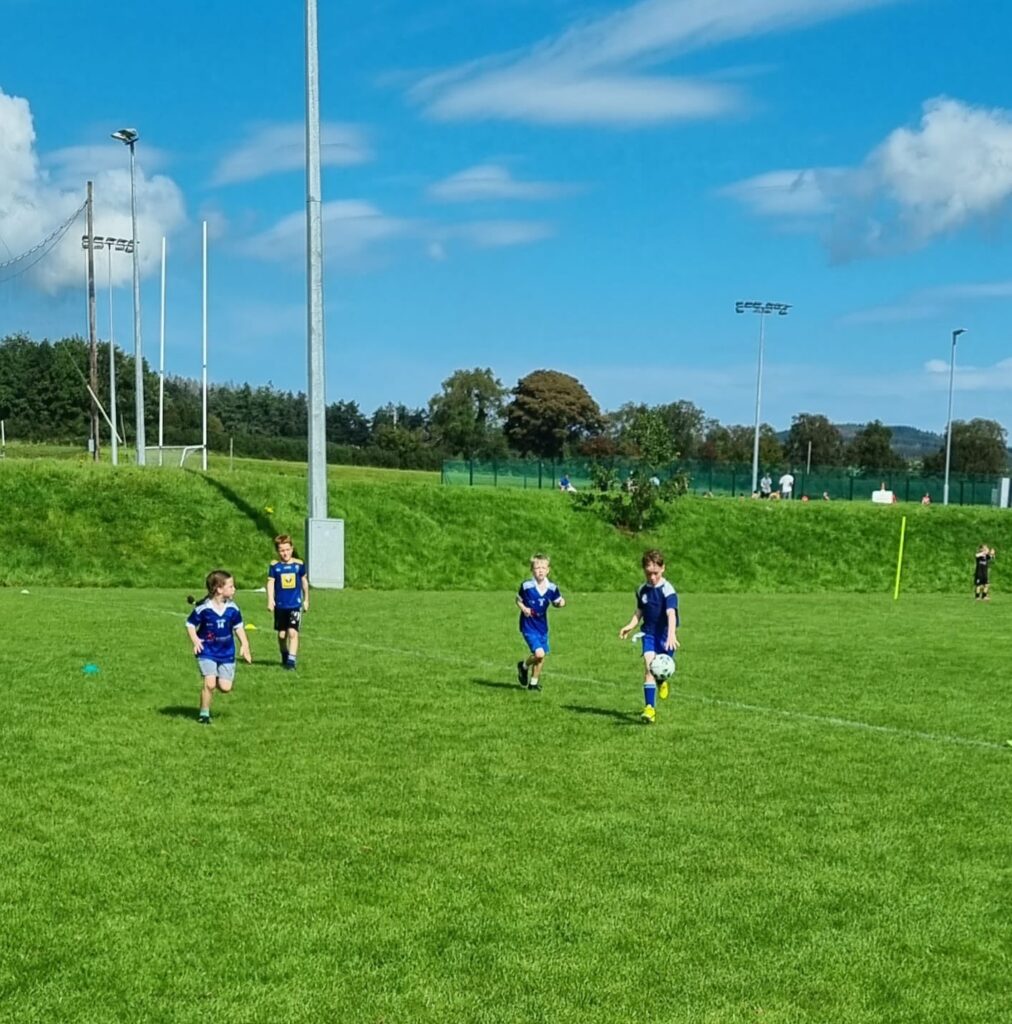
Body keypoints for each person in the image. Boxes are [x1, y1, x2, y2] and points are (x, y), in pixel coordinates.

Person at [618, 549, 680, 724]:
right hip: (649, 634)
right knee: (649, 668)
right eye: (648, 573)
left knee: (661, 670)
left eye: (656, 573)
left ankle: (662, 681)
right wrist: (630, 626)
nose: (652, 577)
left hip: (665, 635)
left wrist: (672, 634)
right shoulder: (642, 590)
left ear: (663, 568)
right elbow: (639, 611)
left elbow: (671, 613)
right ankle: (650, 709)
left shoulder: (668, 590)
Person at [186, 570, 252, 725]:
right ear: (219, 589)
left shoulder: (233, 609)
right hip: (207, 650)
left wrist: (245, 645)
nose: (234, 589)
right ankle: (204, 714)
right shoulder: (204, 609)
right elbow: (190, 624)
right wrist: (196, 640)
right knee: (209, 684)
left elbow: (238, 627)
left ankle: (214, 676)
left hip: (227, 652)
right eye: (231, 586)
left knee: (225, 687)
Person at [516, 553, 566, 691]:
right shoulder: (526, 586)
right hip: (528, 626)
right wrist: (524, 608)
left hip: (542, 626)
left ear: (548, 570)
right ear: (532, 570)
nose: (540, 571)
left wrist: (561, 603)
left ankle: (533, 683)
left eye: (543, 568)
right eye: (537, 568)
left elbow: (558, 601)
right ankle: (523, 666)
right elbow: (518, 600)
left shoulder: (552, 588)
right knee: (539, 653)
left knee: (541, 657)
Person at [267, 533, 309, 670]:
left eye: (287, 550)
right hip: (280, 606)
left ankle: (291, 661)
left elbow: (304, 582)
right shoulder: (275, 567)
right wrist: (270, 600)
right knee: (282, 635)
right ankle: (284, 654)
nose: (285, 553)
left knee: (293, 632)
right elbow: (270, 583)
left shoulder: (298, 565)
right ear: (278, 551)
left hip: (295, 605)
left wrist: (306, 600)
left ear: (292, 549)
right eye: (282, 550)